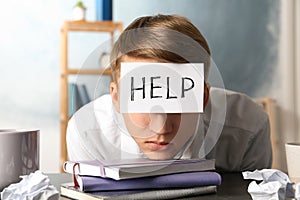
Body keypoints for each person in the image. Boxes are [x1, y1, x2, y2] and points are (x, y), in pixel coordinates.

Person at [66, 14, 272, 172]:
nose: (161, 128)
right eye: (144, 100)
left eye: (177, 102)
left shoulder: (248, 128)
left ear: (203, 98)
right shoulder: (87, 133)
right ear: (117, 98)